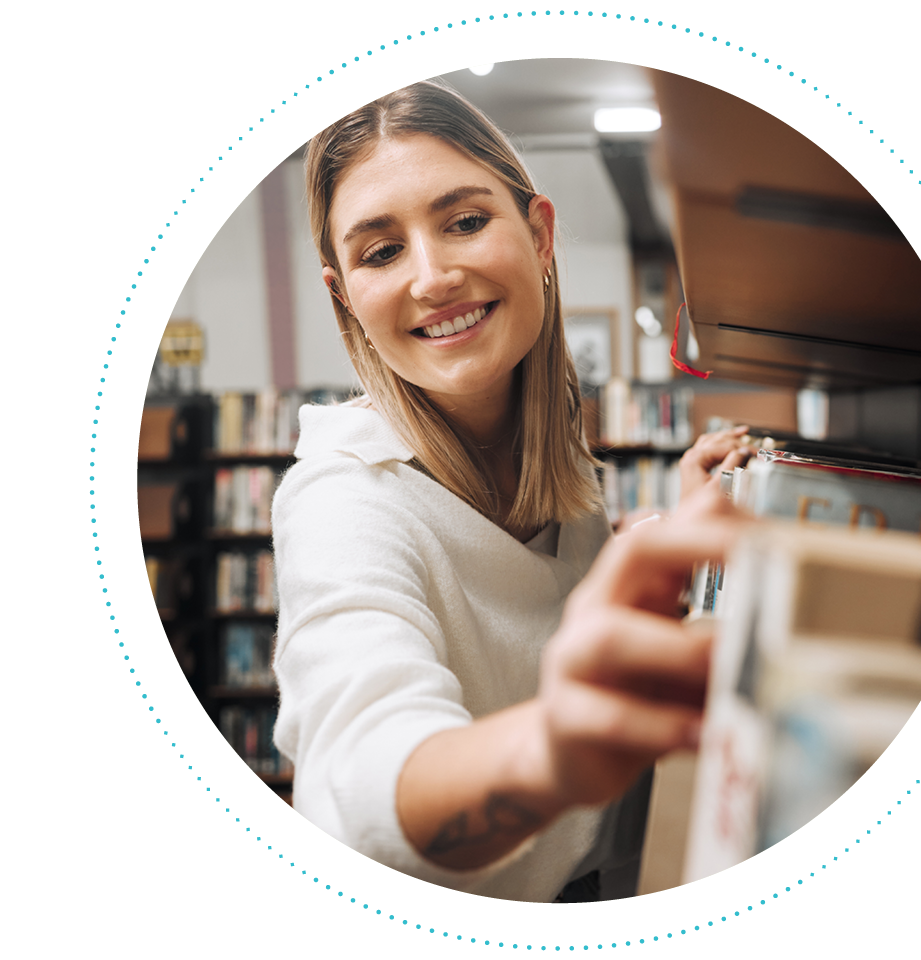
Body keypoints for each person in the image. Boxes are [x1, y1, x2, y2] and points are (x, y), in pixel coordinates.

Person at [271, 79, 753, 903]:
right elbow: (363, 774)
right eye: (381, 251)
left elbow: (545, 620)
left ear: (539, 234)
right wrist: (547, 755)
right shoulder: (341, 498)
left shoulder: (556, 458)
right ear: (342, 293)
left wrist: (663, 532)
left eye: (464, 221)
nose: (433, 277)